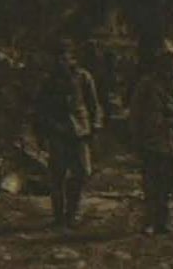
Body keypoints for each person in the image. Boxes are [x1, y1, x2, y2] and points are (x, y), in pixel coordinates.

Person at [33, 39, 103, 229]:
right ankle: (59, 218)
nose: (60, 61)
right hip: (57, 132)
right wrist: (43, 134)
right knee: (58, 176)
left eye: (64, 56)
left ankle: (71, 214)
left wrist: (95, 127)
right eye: (56, 57)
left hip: (80, 132)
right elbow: (40, 109)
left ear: (71, 57)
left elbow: (94, 105)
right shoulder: (48, 81)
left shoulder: (83, 77)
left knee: (82, 173)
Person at [129, 41, 173, 235]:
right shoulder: (146, 83)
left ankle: (163, 220)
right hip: (152, 139)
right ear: (157, 62)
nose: (168, 64)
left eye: (172, 60)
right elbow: (135, 112)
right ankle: (149, 221)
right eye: (164, 60)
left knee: (170, 182)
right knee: (151, 182)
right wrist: (136, 137)